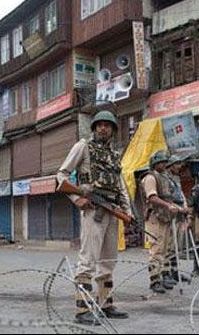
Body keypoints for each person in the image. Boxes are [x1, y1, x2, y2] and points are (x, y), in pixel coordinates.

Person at [57, 110, 132, 325]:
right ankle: (82, 310)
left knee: (108, 260)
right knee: (88, 259)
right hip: (93, 209)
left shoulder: (115, 156)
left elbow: (120, 186)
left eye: (107, 125)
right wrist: (76, 198)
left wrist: (127, 212)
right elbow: (61, 175)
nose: (102, 128)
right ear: (94, 128)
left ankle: (105, 304)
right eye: (99, 125)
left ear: (113, 130)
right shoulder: (83, 147)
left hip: (112, 210)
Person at [141, 151, 181, 294]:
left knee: (165, 249)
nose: (164, 164)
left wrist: (176, 207)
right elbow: (152, 198)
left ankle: (163, 277)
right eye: (161, 162)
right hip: (154, 218)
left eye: (165, 162)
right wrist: (168, 206)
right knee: (156, 249)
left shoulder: (164, 178)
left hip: (165, 217)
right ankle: (154, 280)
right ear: (155, 163)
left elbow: (170, 198)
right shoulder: (150, 178)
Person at [164, 155, 191, 283]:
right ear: (170, 165)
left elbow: (181, 195)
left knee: (177, 247)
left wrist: (185, 206)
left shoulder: (177, 179)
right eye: (176, 164)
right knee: (169, 247)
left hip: (181, 216)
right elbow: (168, 199)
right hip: (171, 215)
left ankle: (175, 271)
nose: (179, 166)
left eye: (180, 164)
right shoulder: (165, 179)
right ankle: (166, 272)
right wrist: (180, 209)